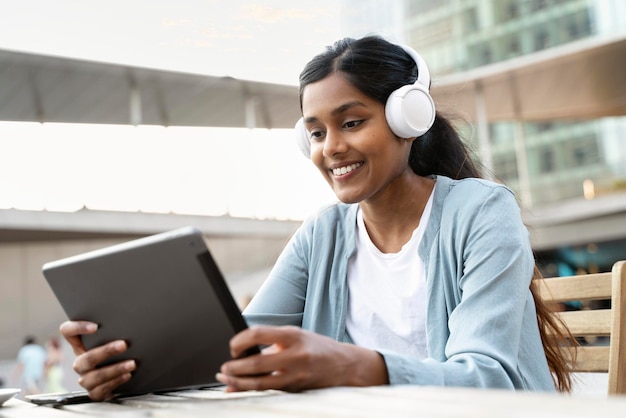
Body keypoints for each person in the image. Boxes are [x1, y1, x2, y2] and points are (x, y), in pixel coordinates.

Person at [60, 35, 573, 401]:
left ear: (407, 119)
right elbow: (238, 351)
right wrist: (130, 367)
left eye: (351, 123)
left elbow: (490, 379)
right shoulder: (322, 235)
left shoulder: (483, 212)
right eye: (316, 132)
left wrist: (353, 365)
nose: (332, 148)